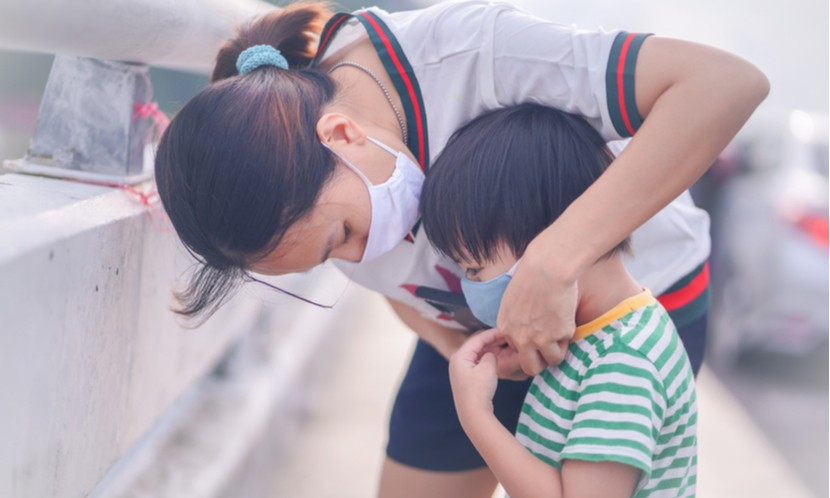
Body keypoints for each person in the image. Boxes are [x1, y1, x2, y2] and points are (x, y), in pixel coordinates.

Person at [153, 1, 766, 496]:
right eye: (328, 260)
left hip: (625, 311)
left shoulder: (473, 53)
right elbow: (398, 288)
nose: (358, 258)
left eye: (341, 236)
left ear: (341, 134)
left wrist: (556, 261)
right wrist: (456, 351)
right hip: (480, 335)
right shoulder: (315, 199)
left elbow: (725, 84)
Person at [421, 103, 697, 498]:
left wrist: (475, 415)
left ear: (544, 237)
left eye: (475, 268)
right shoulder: (593, 335)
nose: (470, 285)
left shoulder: (624, 360)